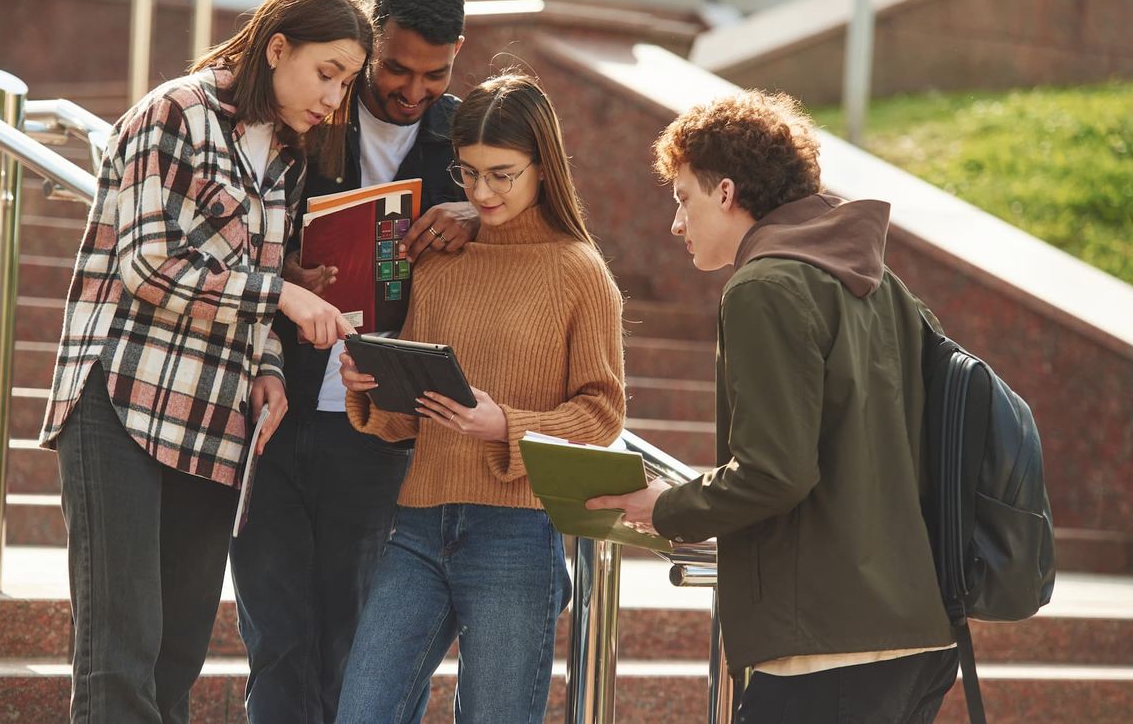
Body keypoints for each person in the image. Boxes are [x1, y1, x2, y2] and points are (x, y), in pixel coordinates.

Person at [38, 0, 370, 724]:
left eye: (346, 83)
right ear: (277, 46)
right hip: (120, 400)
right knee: (119, 655)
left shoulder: (285, 159)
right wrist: (283, 295)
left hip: (212, 422)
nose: (334, 98)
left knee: (176, 658)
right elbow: (151, 266)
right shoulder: (175, 112)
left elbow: (253, 284)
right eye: (327, 73)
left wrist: (270, 368)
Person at [587, 91, 957, 723]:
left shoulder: (763, 287)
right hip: (915, 631)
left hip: (825, 642)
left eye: (683, 198)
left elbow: (775, 471)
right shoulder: (880, 285)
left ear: (726, 192)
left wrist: (667, 507)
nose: (676, 224)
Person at [333, 73, 625, 724]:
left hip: (516, 535)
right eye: (467, 174)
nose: (481, 192)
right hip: (418, 521)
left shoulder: (581, 273)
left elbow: (603, 415)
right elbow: (413, 415)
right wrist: (373, 390)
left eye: (502, 174)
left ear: (543, 166)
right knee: (361, 711)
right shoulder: (440, 264)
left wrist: (505, 426)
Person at [228, 0, 475, 724]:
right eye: (395, 68)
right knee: (277, 636)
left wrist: (475, 216)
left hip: (379, 427)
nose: (411, 90)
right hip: (273, 403)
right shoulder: (308, 112)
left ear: (456, 55)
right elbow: (235, 231)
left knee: (358, 641)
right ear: (369, 43)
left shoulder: (462, 139)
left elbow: (543, 219)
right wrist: (285, 272)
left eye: (434, 74)